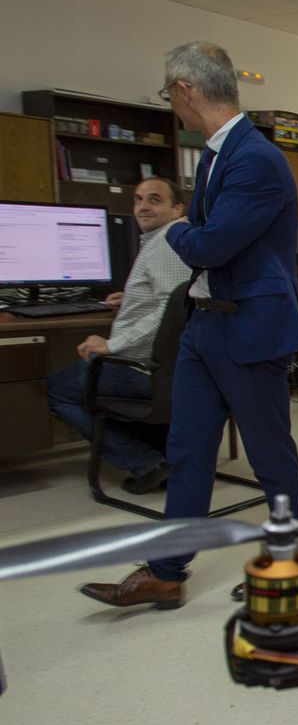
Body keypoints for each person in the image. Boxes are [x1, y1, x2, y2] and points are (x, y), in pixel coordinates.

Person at [81, 43, 298, 611]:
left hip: (249, 328)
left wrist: (175, 228)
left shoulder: (253, 158)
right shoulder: (214, 155)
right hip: (204, 325)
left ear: (185, 89)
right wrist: (189, 231)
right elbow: (208, 245)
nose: (173, 106)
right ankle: (166, 572)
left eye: (169, 95)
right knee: (187, 449)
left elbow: (207, 243)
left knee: (269, 455)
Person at [47, 177, 188, 495]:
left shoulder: (166, 242)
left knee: (54, 390)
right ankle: (154, 453)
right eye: (138, 199)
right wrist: (135, 298)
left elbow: (169, 312)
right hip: (170, 371)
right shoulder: (168, 240)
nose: (143, 206)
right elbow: (174, 299)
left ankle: (145, 462)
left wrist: (112, 344)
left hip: (145, 371)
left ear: (177, 208)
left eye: (154, 199)